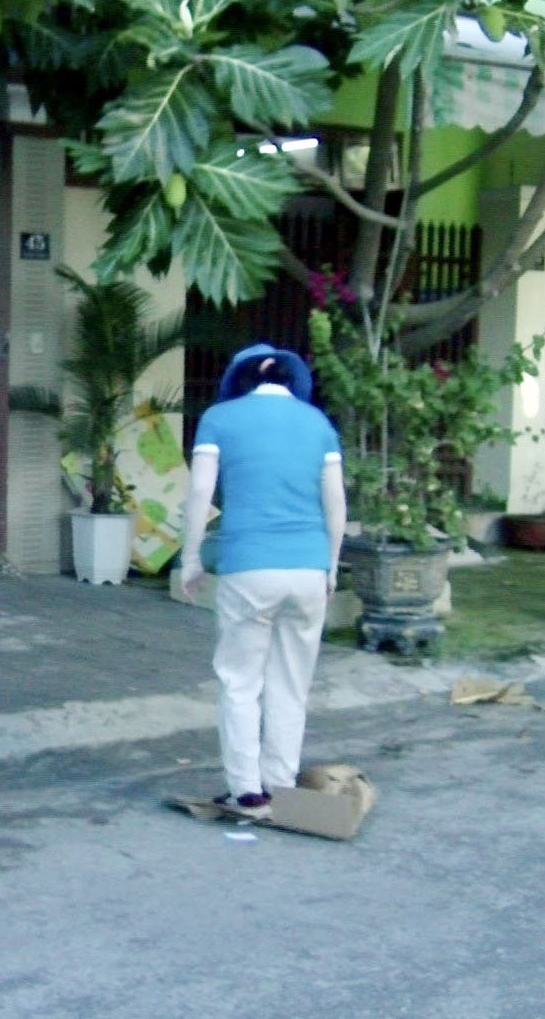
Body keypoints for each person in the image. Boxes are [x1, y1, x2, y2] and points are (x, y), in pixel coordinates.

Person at [178, 343, 345, 817]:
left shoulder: (219, 419)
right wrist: (331, 566)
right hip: (309, 567)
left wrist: (190, 558)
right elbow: (335, 504)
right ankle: (281, 781)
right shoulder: (318, 423)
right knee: (291, 684)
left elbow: (199, 492)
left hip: (248, 567)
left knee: (240, 681)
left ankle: (247, 790)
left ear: (239, 378)